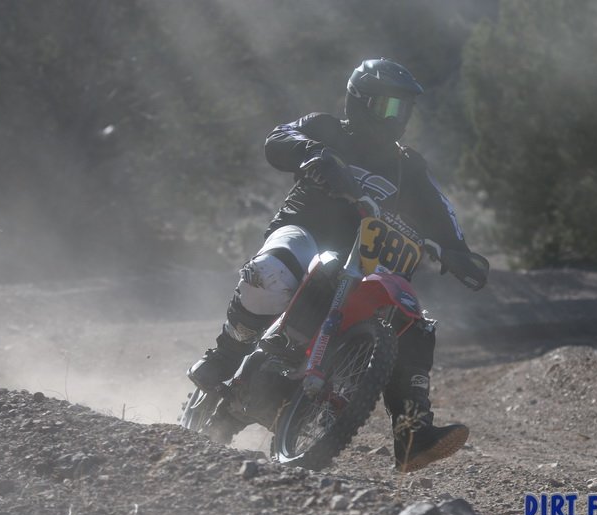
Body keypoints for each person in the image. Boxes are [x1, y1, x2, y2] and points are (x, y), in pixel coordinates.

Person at [188, 58, 489, 472]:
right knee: (272, 272)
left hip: (361, 261)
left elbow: (442, 212)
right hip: (304, 233)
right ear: (359, 101)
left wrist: (459, 252)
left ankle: (413, 433)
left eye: (404, 109)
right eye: (388, 106)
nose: (397, 118)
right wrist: (314, 153)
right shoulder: (327, 129)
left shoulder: (408, 167)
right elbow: (278, 139)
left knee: (414, 324)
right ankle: (226, 354)